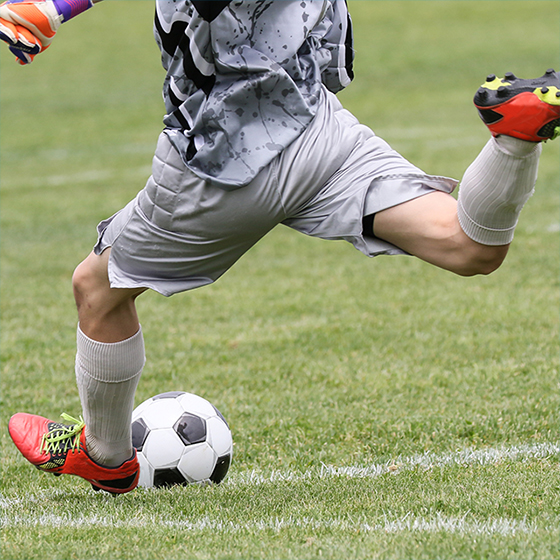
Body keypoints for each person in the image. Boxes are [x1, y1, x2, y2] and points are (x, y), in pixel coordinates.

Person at [1, 0, 559, 494]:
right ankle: (515, 136)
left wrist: (52, 6)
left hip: (228, 165)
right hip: (316, 131)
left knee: (96, 290)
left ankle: (106, 458)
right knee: (468, 246)